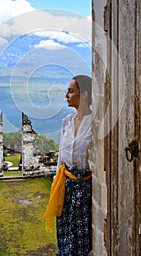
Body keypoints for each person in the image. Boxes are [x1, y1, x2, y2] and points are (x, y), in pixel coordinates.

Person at [44, 75, 92, 256]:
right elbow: (61, 157)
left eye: (71, 91)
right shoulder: (67, 122)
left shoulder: (94, 124)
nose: (66, 95)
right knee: (64, 237)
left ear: (85, 95)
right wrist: (57, 180)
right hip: (65, 187)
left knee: (80, 243)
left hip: (84, 189)